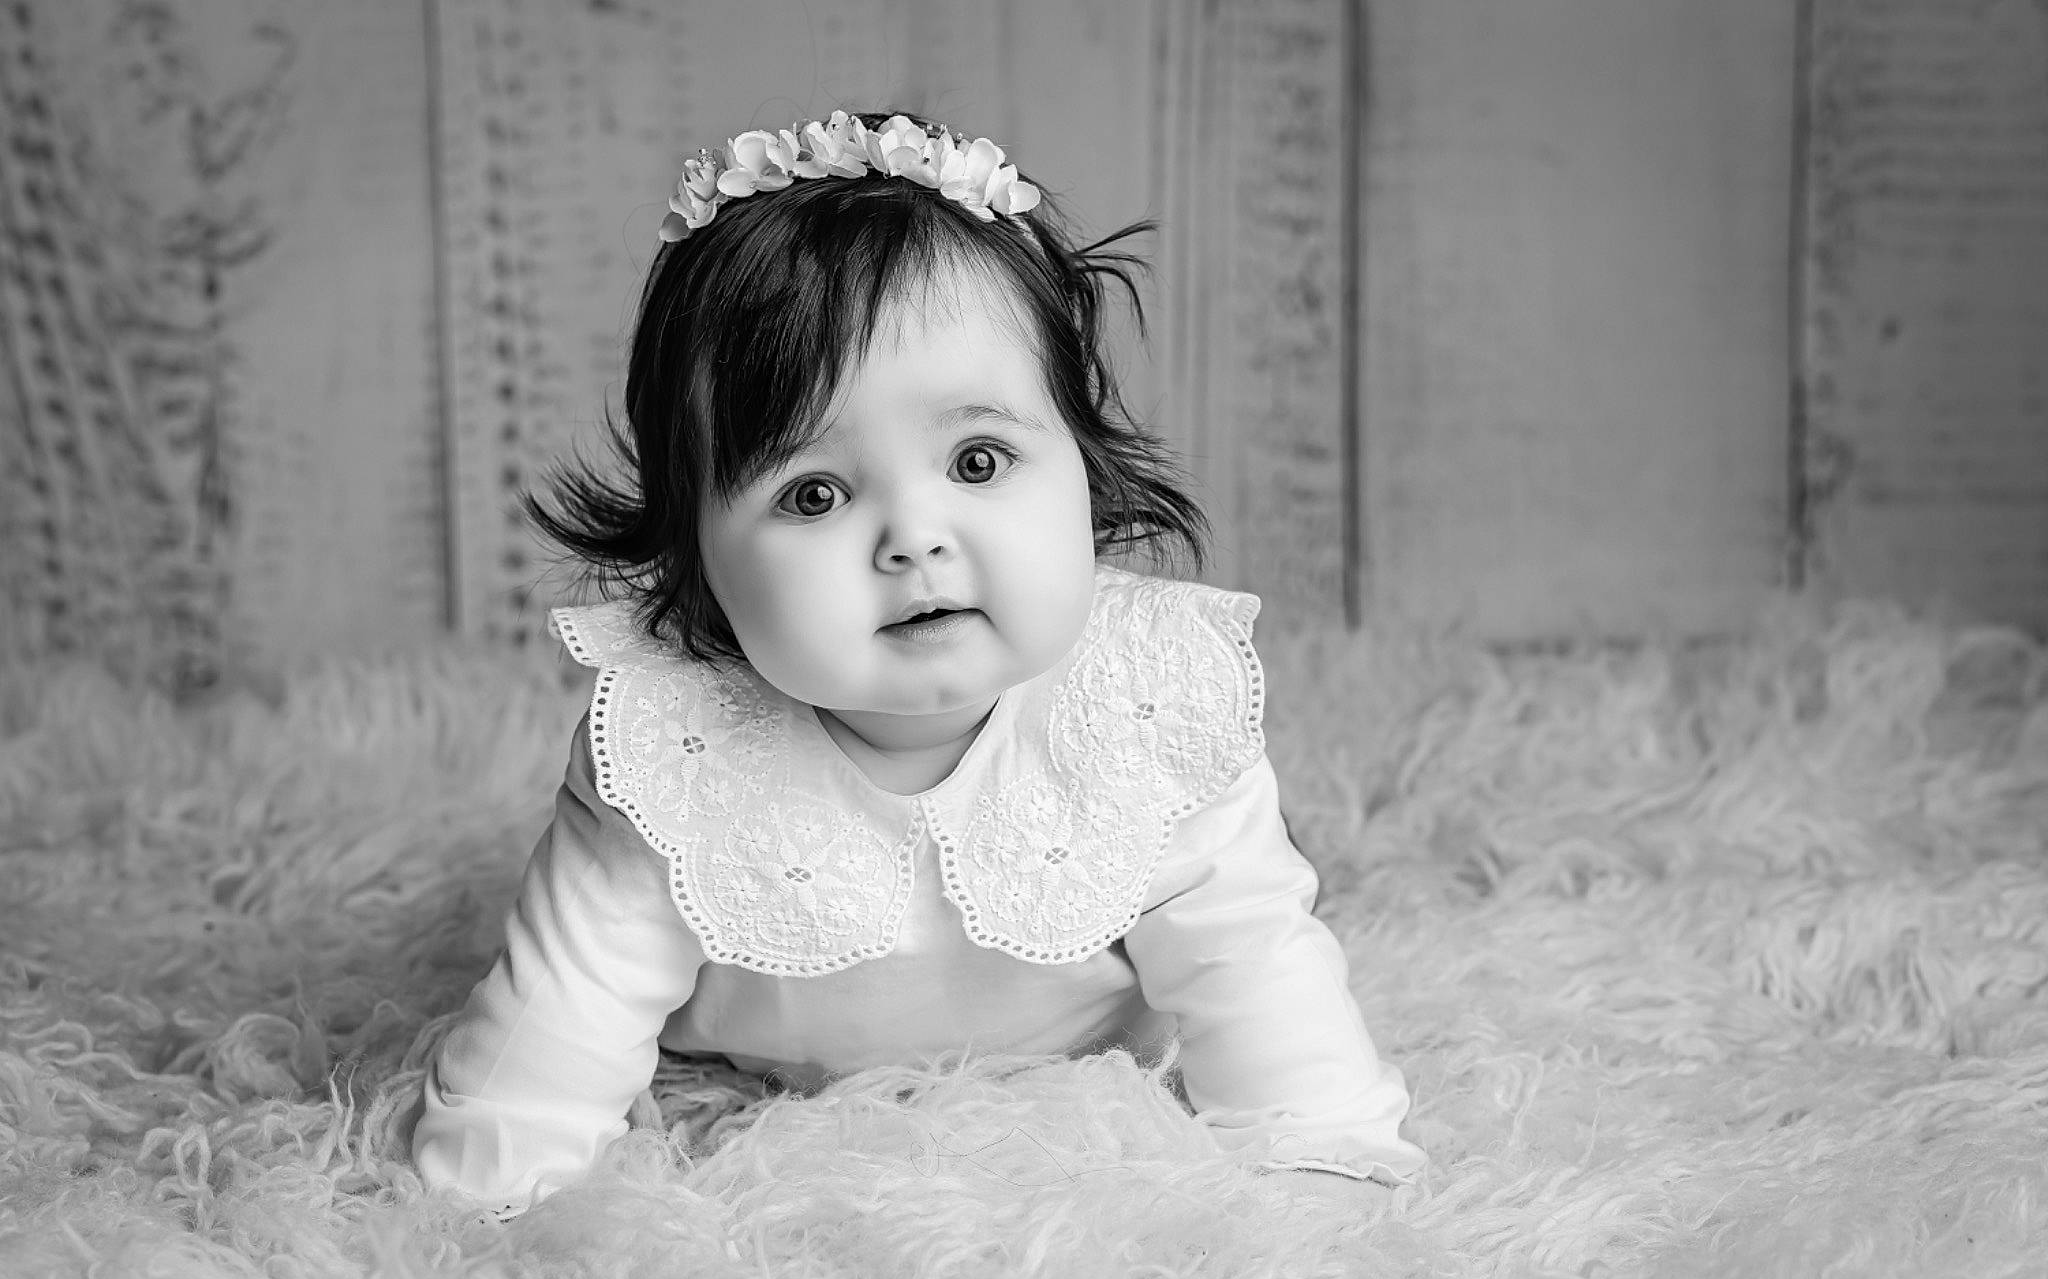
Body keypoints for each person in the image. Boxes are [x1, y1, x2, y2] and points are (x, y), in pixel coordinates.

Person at [412, 110, 1425, 1219]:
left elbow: (1249, 960)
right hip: (751, 1093)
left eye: (978, 460)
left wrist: (1318, 1157)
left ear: (1087, 477)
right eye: (812, 494)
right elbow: (567, 997)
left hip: (1080, 1080)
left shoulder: (1141, 702)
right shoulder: (672, 746)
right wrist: (489, 1196)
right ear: (693, 557)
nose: (912, 538)